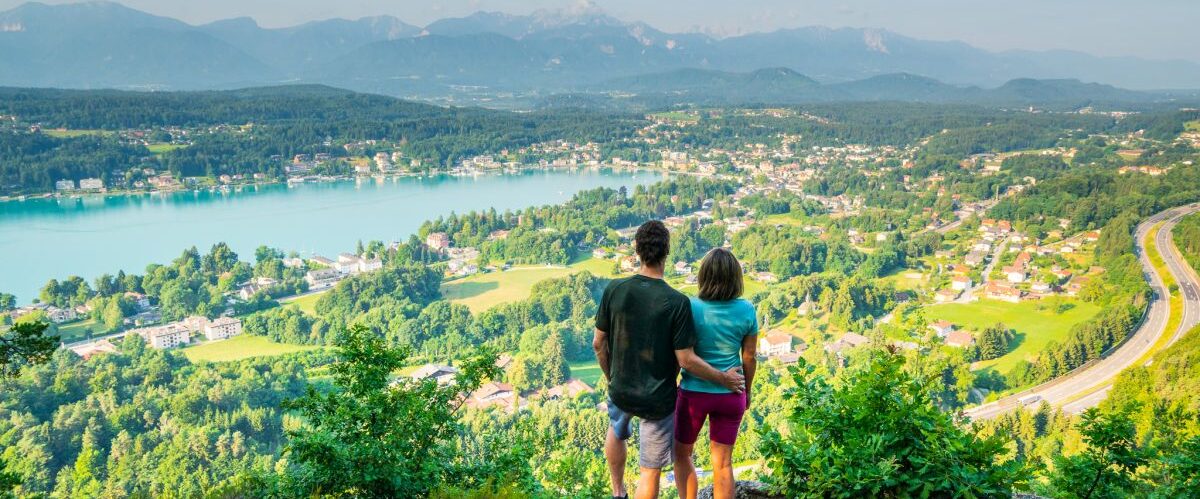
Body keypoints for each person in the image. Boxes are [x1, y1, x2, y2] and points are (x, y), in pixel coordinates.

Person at [594, 221, 746, 499]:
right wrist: (724, 378)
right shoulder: (676, 302)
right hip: (658, 397)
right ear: (667, 252)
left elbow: (598, 344)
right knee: (649, 472)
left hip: (621, 387)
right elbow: (686, 359)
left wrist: (611, 377)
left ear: (637, 251)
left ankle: (618, 492)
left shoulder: (614, 290)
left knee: (616, 431)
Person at [672, 248, 758, 499]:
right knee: (722, 464)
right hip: (731, 395)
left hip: (693, 395)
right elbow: (749, 357)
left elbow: (682, 356)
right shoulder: (747, 309)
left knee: (682, 454)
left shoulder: (690, 307)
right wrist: (747, 391)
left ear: (704, 275)